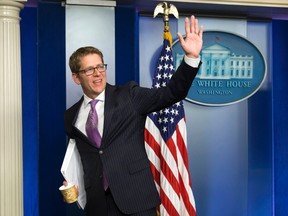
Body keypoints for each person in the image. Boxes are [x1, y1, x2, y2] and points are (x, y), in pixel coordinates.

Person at [63, 15, 203, 216]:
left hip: (136, 201)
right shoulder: (70, 116)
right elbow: (78, 158)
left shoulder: (129, 95)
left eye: (101, 66)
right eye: (90, 69)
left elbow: (171, 93)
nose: (98, 73)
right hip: (97, 206)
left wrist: (190, 59)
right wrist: (72, 182)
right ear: (76, 77)